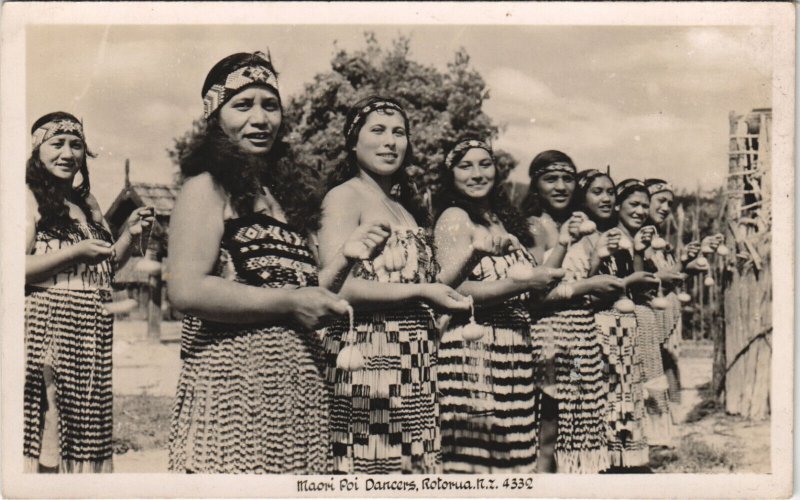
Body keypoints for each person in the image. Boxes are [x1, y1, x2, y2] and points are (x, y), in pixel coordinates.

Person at [167, 52, 377, 474]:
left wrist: (344, 261)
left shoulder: (286, 199)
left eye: (270, 104)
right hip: (231, 396)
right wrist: (290, 302)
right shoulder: (206, 188)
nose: (260, 118)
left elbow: (303, 294)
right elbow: (186, 289)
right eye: (243, 105)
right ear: (214, 116)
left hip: (300, 391)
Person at [319, 96, 469, 474]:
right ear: (353, 142)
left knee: (411, 468)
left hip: (415, 357)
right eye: (378, 130)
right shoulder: (343, 197)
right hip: (366, 356)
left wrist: (473, 258)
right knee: (372, 466)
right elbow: (339, 289)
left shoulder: (403, 207)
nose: (390, 142)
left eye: (399, 133)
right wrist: (421, 292)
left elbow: (429, 285)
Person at [25, 112, 153, 472]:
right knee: (48, 436)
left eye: (76, 145)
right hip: (46, 332)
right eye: (57, 144)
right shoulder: (26, 198)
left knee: (84, 438)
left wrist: (130, 232)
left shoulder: (88, 204)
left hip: (90, 335)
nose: (68, 153)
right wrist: (74, 252)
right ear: (37, 150)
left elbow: (105, 267)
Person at [433, 139, 562, 473]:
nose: (477, 174)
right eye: (466, 166)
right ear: (451, 175)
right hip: (474, 350)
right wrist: (519, 284)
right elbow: (453, 288)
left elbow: (524, 291)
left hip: (514, 351)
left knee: (512, 457)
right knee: (475, 462)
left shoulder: (503, 221)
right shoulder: (455, 217)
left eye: (484, 164)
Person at [524, 158, 620, 474]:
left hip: (582, 339)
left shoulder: (578, 227)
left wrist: (597, 259)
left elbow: (581, 284)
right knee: (551, 422)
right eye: (551, 179)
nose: (561, 186)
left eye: (567, 179)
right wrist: (589, 283)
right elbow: (538, 294)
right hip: (551, 338)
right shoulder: (534, 227)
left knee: (578, 418)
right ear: (536, 186)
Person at [576, 171, 653, 471]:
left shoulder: (611, 236)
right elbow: (582, 294)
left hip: (620, 337)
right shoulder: (581, 237)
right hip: (595, 335)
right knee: (600, 410)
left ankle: (624, 466)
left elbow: (634, 288)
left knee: (621, 409)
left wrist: (637, 255)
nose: (606, 199)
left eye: (610, 192)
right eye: (598, 192)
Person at [610, 179, 674, 450]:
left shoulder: (638, 240)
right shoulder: (613, 237)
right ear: (617, 206)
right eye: (633, 204)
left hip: (642, 324)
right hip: (621, 324)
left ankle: (642, 445)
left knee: (644, 386)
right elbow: (632, 284)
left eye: (643, 206)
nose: (639, 211)